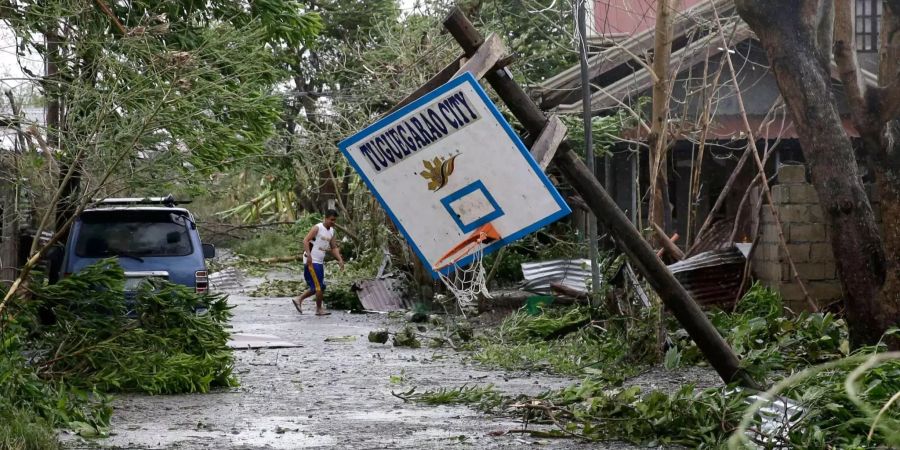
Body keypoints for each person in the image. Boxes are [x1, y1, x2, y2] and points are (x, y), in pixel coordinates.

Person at [292, 210, 345, 315]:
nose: (333, 222)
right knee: (318, 287)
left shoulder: (332, 231)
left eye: (335, 220)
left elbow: (333, 247)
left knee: (320, 286)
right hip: (311, 260)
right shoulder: (318, 228)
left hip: (319, 261)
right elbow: (306, 240)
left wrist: (340, 259)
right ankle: (319, 309)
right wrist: (309, 255)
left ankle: (299, 299)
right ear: (325, 218)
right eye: (331, 220)